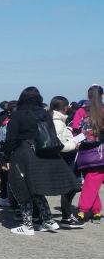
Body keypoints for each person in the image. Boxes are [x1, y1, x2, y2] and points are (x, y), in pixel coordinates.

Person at [4, 86, 77, 235]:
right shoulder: (45, 114)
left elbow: (10, 139)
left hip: (23, 154)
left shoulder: (18, 115)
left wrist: (5, 157)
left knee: (23, 189)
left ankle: (27, 225)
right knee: (36, 189)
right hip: (43, 155)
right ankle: (49, 220)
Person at [49, 95, 82, 228]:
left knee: (70, 187)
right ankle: (66, 217)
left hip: (59, 159)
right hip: (60, 159)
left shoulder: (56, 120)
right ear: (63, 108)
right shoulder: (57, 122)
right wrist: (74, 144)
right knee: (71, 186)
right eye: (67, 106)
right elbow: (58, 145)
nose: (69, 108)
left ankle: (66, 216)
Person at [76, 84, 104, 223]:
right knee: (93, 181)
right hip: (100, 152)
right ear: (102, 96)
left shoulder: (81, 111)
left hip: (84, 152)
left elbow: (75, 128)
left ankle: (96, 210)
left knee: (90, 181)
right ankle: (83, 209)